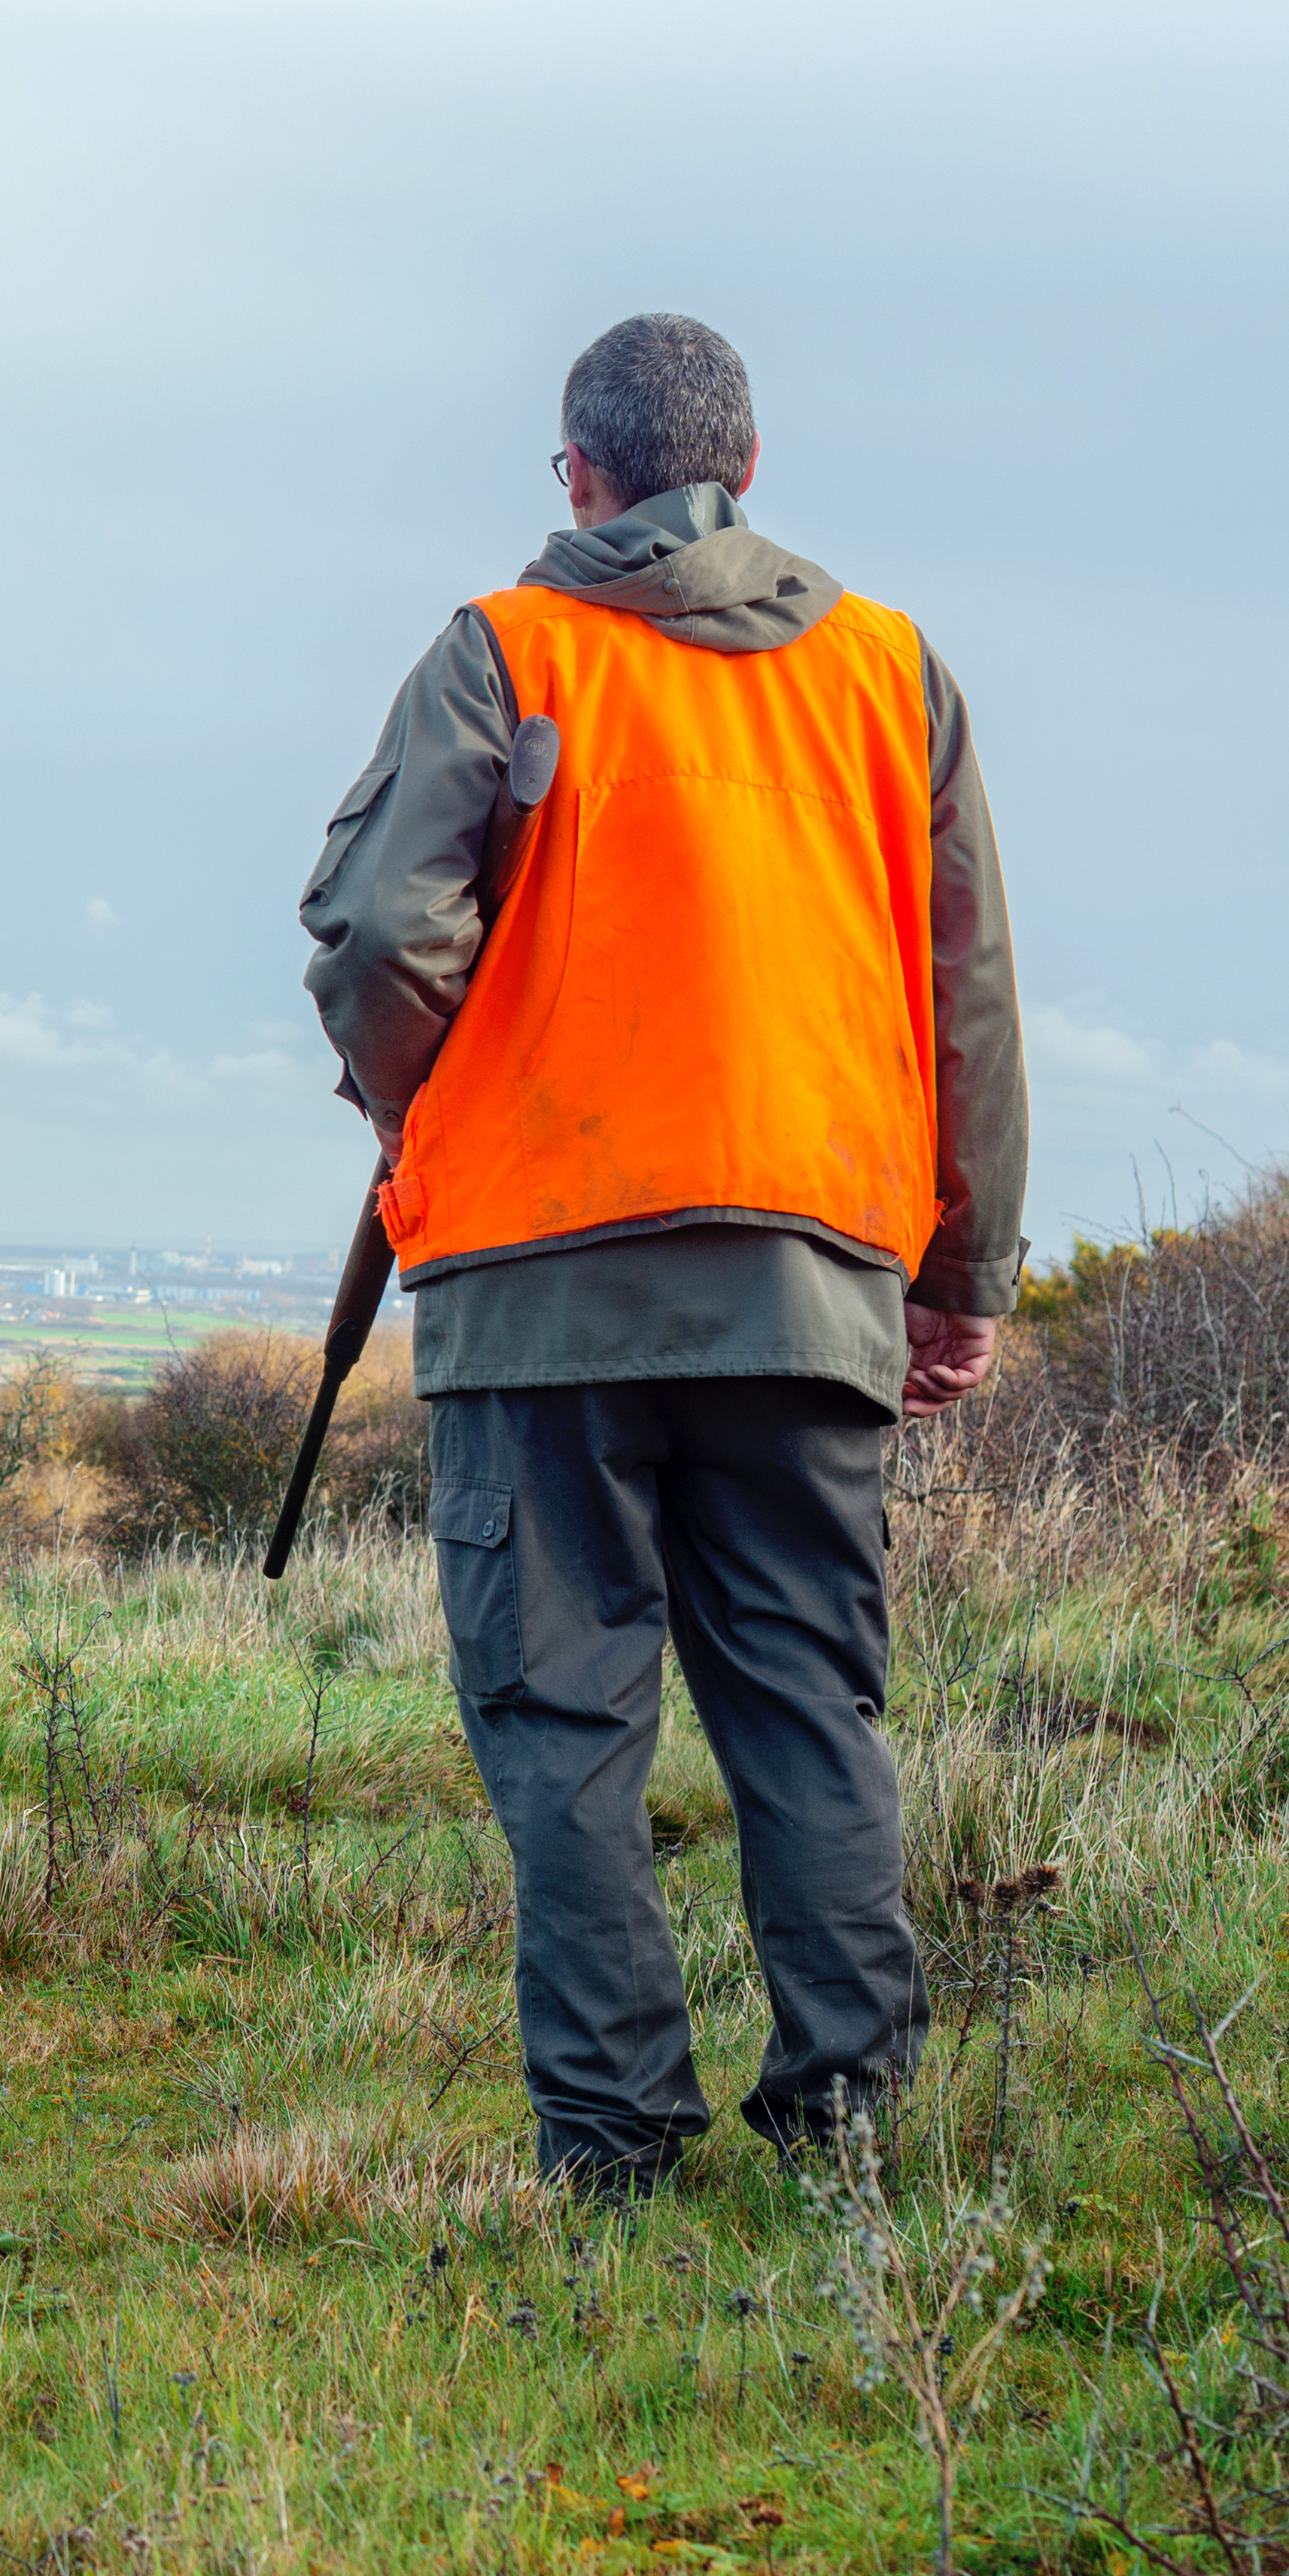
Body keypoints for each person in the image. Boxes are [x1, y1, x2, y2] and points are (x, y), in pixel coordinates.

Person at [298, 314, 1026, 2197]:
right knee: (808, 1705)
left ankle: (616, 2155)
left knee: (561, 1731)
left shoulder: (502, 652)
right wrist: (962, 1277)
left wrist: (412, 1111)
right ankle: (848, 2129)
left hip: (541, 1290)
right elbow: (970, 1000)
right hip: (812, 1286)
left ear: (579, 475)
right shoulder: (890, 670)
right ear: (754, 467)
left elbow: (382, 939)